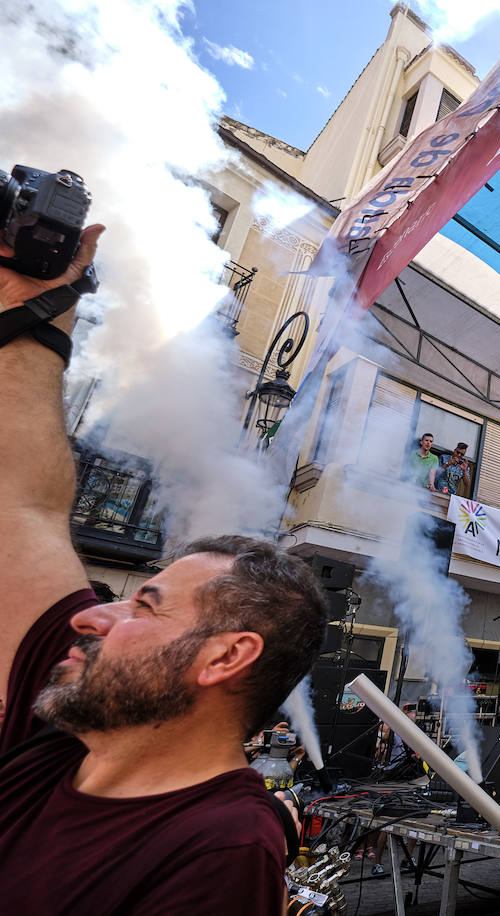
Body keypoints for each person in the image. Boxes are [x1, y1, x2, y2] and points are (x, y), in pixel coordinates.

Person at [0, 215, 331, 915]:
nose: (91, 613)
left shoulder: (219, 848)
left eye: (145, 605)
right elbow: (22, 504)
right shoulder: (61, 724)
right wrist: (35, 317)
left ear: (225, 657)